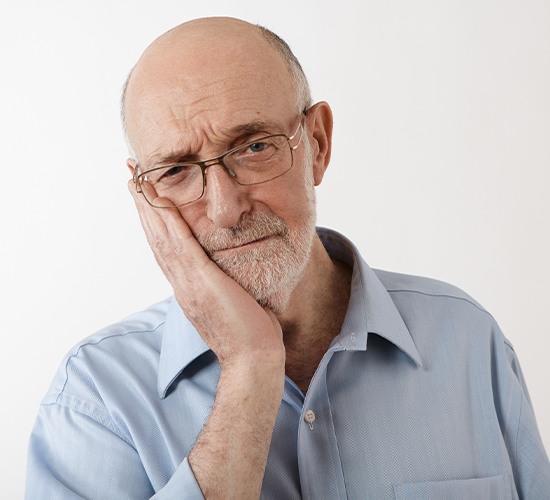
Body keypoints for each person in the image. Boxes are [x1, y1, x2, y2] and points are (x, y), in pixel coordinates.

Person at [25, 16, 550, 500]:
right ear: (145, 195)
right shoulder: (93, 400)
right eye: (176, 171)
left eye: (254, 147)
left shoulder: (466, 339)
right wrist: (250, 368)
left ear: (317, 144)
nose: (226, 209)